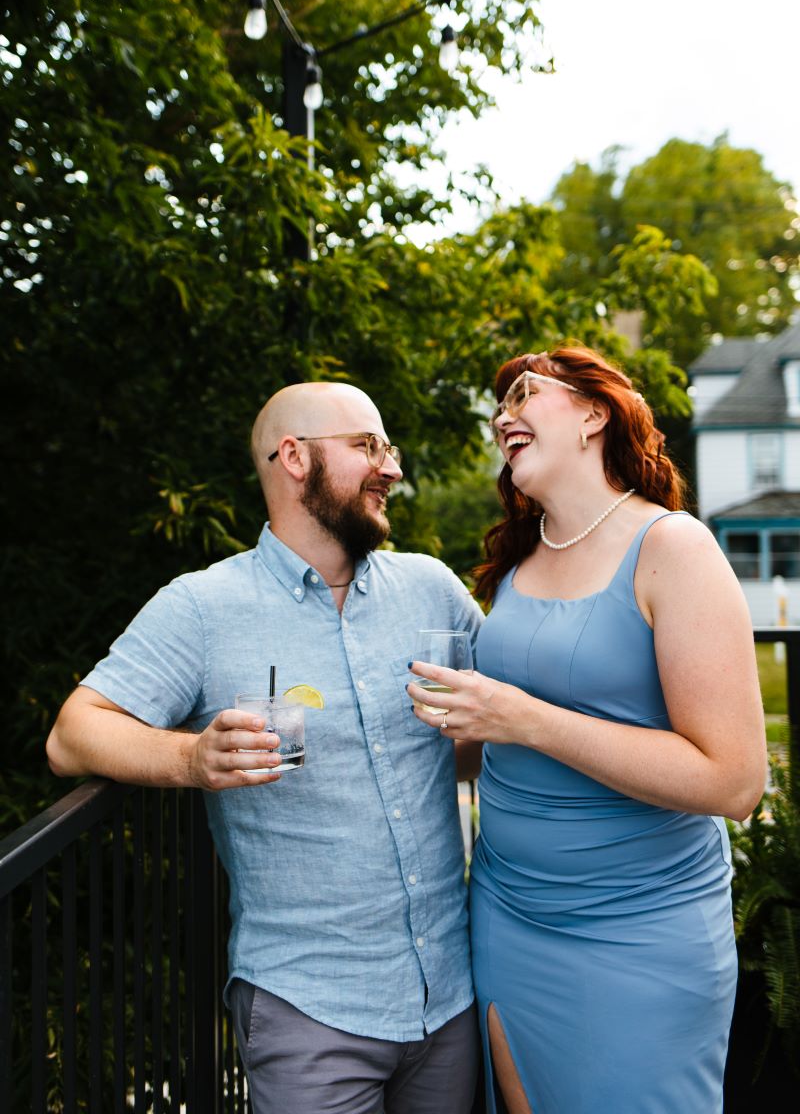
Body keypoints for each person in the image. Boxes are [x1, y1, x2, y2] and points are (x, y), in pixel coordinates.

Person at [46, 381, 483, 1114]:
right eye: (367, 446)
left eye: (389, 448)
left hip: (451, 996)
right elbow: (72, 733)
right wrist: (189, 761)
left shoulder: (431, 590)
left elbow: (493, 733)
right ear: (294, 457)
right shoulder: (203, 606)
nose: (392, 468)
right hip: (308, 1011)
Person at [407, 346, 767, 1114]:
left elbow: (734, 781)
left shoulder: (673, 547)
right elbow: (495, 743)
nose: (504, 415)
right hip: (507, 914)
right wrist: (456, 728)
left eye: (525, 394)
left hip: (641, 930)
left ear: (594, 414)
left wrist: (524, 720)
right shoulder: (515, 566)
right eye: (499, 404)